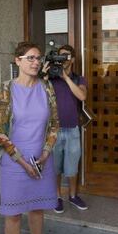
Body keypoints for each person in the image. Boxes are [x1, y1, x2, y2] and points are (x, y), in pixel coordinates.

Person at [0, 42, 59, 234]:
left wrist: (46, 153)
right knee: (13, 216)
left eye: (38, 58)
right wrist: (21, 161)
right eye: (30, 58)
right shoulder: (5, 89)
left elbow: (54, 125)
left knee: (37, 210)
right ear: (17, 60)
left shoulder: (47, 88)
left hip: (42, 160)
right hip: (14, 163)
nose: (36, 62)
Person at [50, 44, 88, 213]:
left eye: (66, 56)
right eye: (60, 56)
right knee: (55, 166)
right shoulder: (50, 79)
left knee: (72, 167)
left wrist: (65, 77)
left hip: (72, 129)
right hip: (54, 129)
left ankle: (73, 196)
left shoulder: (79, 79)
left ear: (72, 59)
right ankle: (57, 196)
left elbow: (82, 96)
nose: (63, 60)